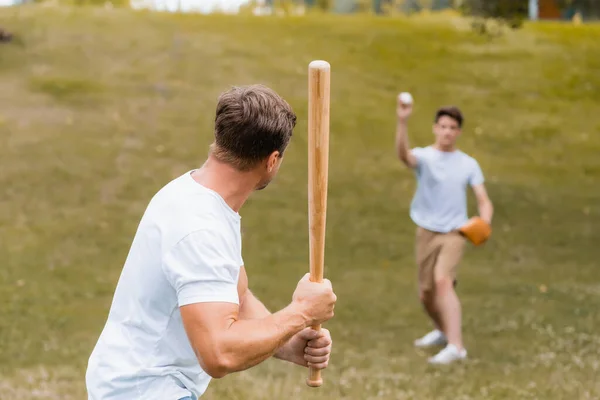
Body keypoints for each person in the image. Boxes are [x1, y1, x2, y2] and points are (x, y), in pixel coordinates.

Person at [86, 84, 337, 399]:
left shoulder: (198, 196)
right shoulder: (200, 228)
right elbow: (219, 354)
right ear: (272, 160)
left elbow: (236, 295)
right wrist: (300, 311)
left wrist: (285, 341)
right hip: (144, 390)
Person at [395, 95, 493, 365]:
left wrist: (484, 223)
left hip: (455, 232)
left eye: (453, 127)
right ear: (435, 128)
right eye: (443, 126)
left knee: (443, 283)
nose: (448, 131)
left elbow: (484, 201)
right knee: (426, 294)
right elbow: (404, 155)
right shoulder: (425, 157)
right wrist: (402, 122)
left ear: (458, 132)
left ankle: (456, 346)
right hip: (426, 231)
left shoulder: (468, 164)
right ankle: (442, 331)